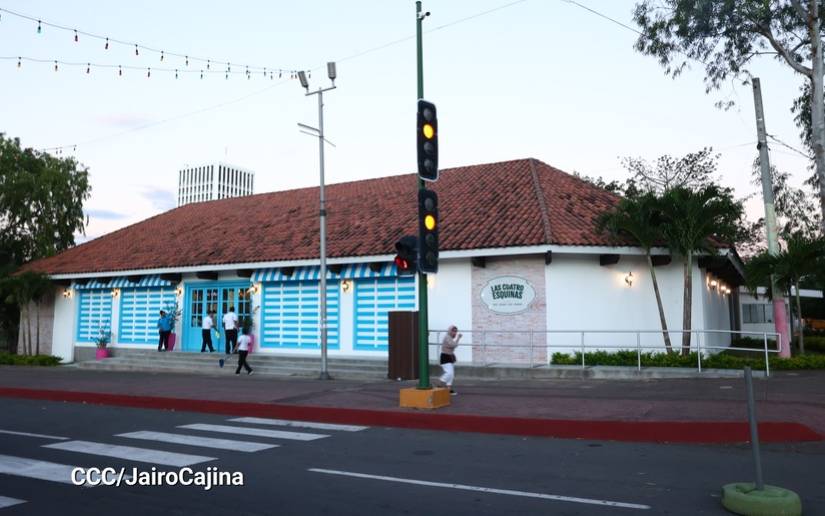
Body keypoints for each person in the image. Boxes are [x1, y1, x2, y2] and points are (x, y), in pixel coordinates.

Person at [439, 325, 462, 395]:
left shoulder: (450, 338)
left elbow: (453, 345)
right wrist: (458, 338)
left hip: (449, 357)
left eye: (455, 331)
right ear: (449, 331)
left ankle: (448, 389)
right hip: (445, 357)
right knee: (449, 373)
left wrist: (457, 338)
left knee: (451, 374)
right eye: (453, 331)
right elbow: (453, 345)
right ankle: (440, 383)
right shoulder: (447, 337)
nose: (454, 333)